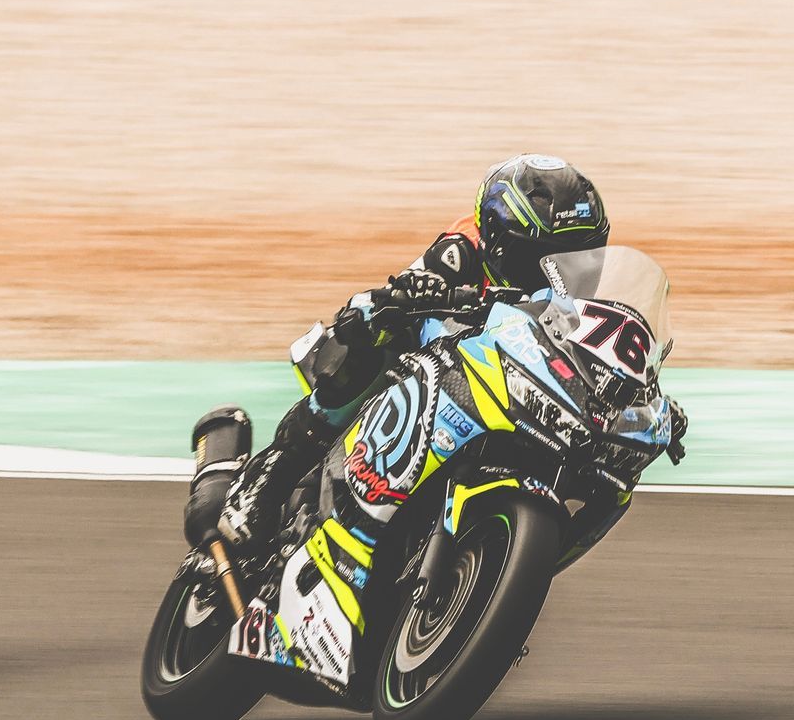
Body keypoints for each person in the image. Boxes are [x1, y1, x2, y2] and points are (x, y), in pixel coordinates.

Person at [218, 154, 629, 555]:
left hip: (507, 390)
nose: (560, 272)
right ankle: (271, 474)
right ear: (499, 240)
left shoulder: (584, 301)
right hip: (427, 370)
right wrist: (411, 295)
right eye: (543, 256)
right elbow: (379, 301)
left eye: (580, 255)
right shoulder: (460, 249)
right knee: (368, 341)